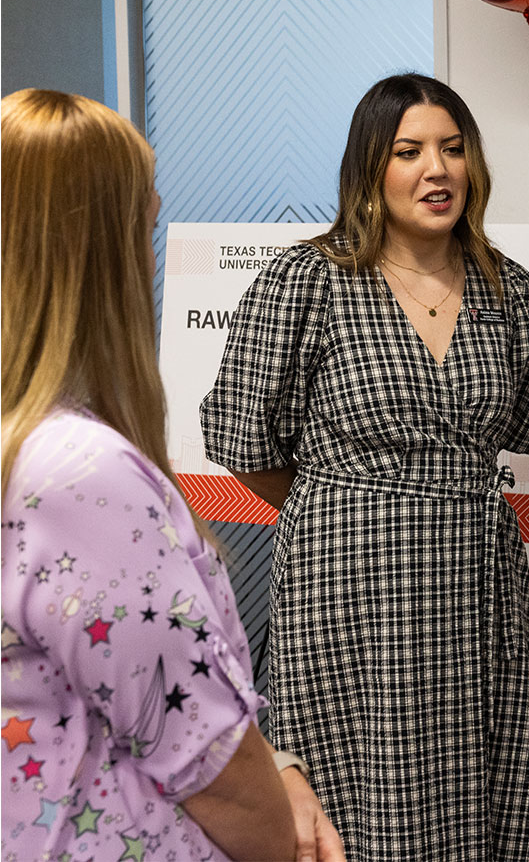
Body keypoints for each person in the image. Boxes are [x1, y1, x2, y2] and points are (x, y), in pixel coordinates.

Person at [200, 74, 529, 859]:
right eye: (410, 151)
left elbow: (507, 430)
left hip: (474, 576)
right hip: (347, 580)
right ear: (370, 168)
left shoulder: (510, 289)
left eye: (454, 149)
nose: (438, 169)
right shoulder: (307, 279)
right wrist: (344, 501)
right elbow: (240, 437)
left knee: (477, 773)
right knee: (354, 792)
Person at [1, 89, 343, 862]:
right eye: (145, 221)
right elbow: (203, 754)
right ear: (103, 247)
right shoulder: (80, 475)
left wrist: (277, 762)